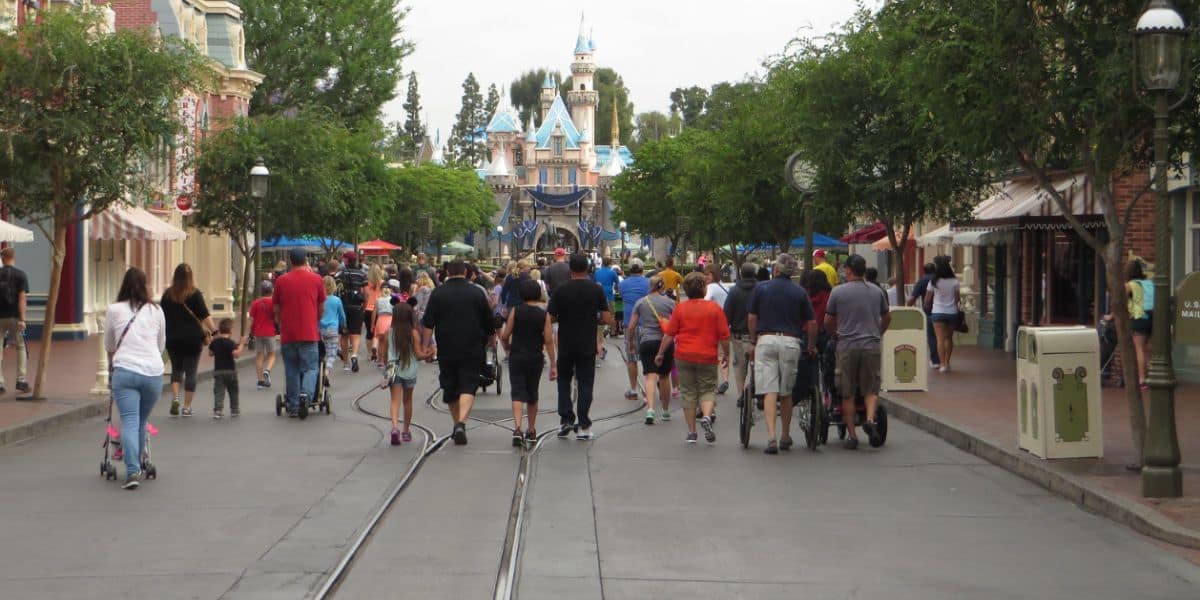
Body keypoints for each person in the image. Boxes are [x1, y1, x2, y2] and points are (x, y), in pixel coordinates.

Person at [421, 259, 496, 445]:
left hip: (447, 347)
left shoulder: (438, 293)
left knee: (450, 387)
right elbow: (489, 323)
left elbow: (428, 323)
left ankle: (457, 423)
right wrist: (491, 342)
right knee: (469, 385)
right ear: (465, 272)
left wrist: (426, 346)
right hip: (472, 346)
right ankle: (461, 423)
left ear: (447, 273)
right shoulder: (476, 292)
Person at [747, 253, 817, 455]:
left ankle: (771, 437)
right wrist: (811, 345)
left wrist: (753, 340)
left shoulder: (761, 288)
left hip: (766, 340)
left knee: (770, 390)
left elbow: (752, 318)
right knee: (786, 392)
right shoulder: (800, 292)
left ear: (776, 269)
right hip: (790, 341)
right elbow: (812, 323)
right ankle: (786, 435)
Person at [105, 267, 167, 489]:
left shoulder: (114, 310)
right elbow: (161, 344)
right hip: (153, 373)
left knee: (129, 421)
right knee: (141, 421)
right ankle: (139, 462)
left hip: (125, 371)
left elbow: (109, 345)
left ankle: (132, 471)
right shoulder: (156, 310)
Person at [825, 254, 891, 449]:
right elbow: (887, 317)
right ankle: (870, 419)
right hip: (871, 346)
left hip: (847, 346)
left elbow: (828, 321)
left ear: (848, 270)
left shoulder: (838, 292)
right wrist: (877, 333)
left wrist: (835, 335)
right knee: (871, 389)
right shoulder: (877, 291)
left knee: (847, 392)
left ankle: (852, 436)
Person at [656, 272, 730, 443]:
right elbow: (724, 335)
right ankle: (706, 416)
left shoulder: (680, 309)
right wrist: (726, 353)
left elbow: (669, 334)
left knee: (688, 392)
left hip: (684, 355)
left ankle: (691, 433)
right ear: (704, 289)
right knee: (707, 389)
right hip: (707, 355)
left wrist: (660, 353)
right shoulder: (714, 308)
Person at [547, 253, 614, 440]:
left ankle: (566, 419)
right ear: (588, 268)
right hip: (587, 343)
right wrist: (595, 320)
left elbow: (550, 317)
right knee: (585, 382)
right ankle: (584, 425)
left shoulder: (560, 290)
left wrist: (563, 318)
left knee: (563, 380)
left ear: (570, 269)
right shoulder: (596, 289)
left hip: (566, 342)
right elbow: (606, 317)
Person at [501, 279, 557, 445]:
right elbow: (548, 340)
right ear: (539, 294)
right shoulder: (544, 314)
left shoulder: (516, 311)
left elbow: (505, 335)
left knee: (517, 392)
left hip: (517, 356)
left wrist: (507, 347)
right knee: (532, 393)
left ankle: (517, 428)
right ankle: (531, 429)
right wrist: (553, 363)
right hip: (535, 357)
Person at [273, 248, 326, 417]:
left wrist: (280, 323)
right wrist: (315, 320)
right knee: (311, 367)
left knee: (292, 369)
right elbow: (321, 307)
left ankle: (294, 405)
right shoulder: (316, 279)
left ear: (290, 261)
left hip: (288, 333)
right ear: (306, 261)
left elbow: (276, 308)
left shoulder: (281, 281)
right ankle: (306, 394)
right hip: (309, 332)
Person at [161, 263, 215, 418]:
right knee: (191, 372)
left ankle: (176, 397)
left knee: (176, 370)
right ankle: (186, 407)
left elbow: (161, 317)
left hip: (173, 339)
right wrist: (215, 332)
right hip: (193, 340)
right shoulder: (195, 294)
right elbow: (205, 316)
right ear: (190, 277)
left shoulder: (167, 295)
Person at [629, 276, 675, 424]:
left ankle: (650, 409)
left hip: (647, 341)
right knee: (664, 377)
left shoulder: (641, 302)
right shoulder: (670, 302)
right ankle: (665, 411)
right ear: (662, 286)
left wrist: (631, 343)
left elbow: (631, 326)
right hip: (665, 342)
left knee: (650, 376)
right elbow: (677, 322)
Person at [385, 301, 428, 446]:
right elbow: (419, 355)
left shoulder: (390, 332)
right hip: (410, 370)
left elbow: (385, 352)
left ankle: (394, 428)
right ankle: (405, 431)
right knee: (407, 401)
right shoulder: (413, 333)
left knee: (394, 400)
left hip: (393, 370)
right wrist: (430, 354)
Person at [723, 263, 759, 398]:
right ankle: (758, 392)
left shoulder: (734, 291)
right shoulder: (761, 289)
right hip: (757, 336)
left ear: (741, 274)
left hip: (738, 336)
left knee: (739, 367)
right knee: (758, 366)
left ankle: (741, 395)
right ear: (754, 274)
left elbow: (726, 315)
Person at [618, 258, 651, 400]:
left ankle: (633, 390)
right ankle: (649, 389)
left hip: (629, 323)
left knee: (631, 358)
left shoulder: (622, 284)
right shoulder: (649, 283)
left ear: (629, 269)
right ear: (642, 269)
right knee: (648, 358)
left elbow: (622, 296)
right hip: (647, 324)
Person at [0, 247, 30, 393]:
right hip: (16, 318)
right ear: (14, 257)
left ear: (2, 258)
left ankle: (0, 383)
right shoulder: (21, 275)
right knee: (21, 346)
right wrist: (23, 319)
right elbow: (22, 299)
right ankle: (21, 380)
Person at [924, 258, 961, 373]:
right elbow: (957, 299)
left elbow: (927, 299)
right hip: (952, 312)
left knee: (940, 339)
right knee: (949, 338)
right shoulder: (955, 281)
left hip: (937, 312)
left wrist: (927, 306)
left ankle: (942, 365)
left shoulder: (934, 281)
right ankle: (947, 362)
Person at [335, 251, 369, 373]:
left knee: (344, 335)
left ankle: (346, 363)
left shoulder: (339, 274)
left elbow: (336, 292)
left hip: (343, 307)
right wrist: (364, 307)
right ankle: (354, 355)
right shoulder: (362, 274)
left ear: (346, 260)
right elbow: (366, 293)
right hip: (356, 307)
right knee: (356, 334)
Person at [208, 318, 247, 419]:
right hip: (230, 371)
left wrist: (212, 344)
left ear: (220, 330)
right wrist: (241, 344)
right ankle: (234, 410)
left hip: (218, 371)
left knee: (219, 391)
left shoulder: (215, 342)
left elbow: (210, 353)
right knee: (233, 391)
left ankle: (218, 410)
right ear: (230, 331)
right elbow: (236, 355)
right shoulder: (231, 343)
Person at [1124, 261, 1153, 390]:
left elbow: (1119, 302)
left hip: (1140, 316)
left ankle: (1142, 380)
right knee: (1148, 350)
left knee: (1139, 349)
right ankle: (1153, 375)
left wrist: (1111, 316)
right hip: (1154, 317)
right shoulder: (1150, 283)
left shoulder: (1129, 285)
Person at [703, 263, 731, 394]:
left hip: (712, 325)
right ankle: (725, 380)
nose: (705, 277)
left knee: (713, 355)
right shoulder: (725, 286)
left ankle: (713, 384)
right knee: (722, 354)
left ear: (713, 275)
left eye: (707, 274)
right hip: (725, 325)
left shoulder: (710, 288)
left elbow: (705, 301)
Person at [907, 263, 941, 368]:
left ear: (924, 271)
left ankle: (935, 361)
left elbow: (912, 299)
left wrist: (907, 306)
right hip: (944, 311)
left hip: (930, 312)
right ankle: (945, 361)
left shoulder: (922, 281)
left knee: (932, 336)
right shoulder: (941, 280)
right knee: (944, 337)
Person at [249, 281, 278, 389]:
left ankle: (260, 381)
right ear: (271, 290)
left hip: (258, 333)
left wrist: (251, 332)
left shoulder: (255, 303)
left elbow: (251, 320)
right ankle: (267, 370)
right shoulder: (274, 302)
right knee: (272, 354)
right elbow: (277, 318)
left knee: (259, 356)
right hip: (270, 332)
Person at [319, 276, 346, 383]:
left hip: (319, 329)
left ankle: (319, 371)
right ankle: (326, 372)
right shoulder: (337, 300)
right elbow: (342, 315)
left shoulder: (319, 300)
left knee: (321, 352)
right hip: (332, 329)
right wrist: (343, 325)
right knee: (331, 354)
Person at [365, 264, 384, 362]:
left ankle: (369, 354)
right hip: (379, 309)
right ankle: (376, 350)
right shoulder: (383, 283)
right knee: (378, 332)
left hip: (368, 309)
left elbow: (365, 297)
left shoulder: (367, 283)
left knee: (369, 332)